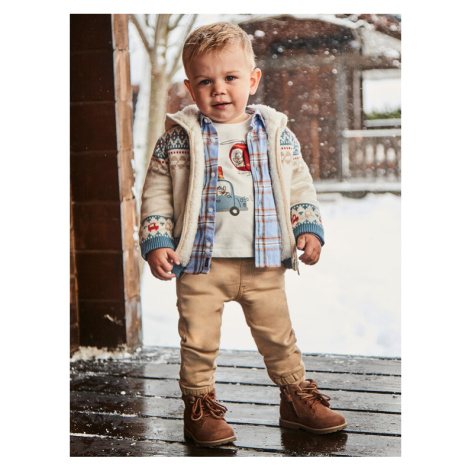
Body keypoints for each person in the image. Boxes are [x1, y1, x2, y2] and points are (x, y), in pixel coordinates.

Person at [139, 22, 347, 447]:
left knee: (279, 336)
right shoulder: (177, 139)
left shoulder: (275, 134)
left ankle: (295, 399)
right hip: (200, 264)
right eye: (205, 81)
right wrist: (157, 239)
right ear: (190, 88)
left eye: (230, 77)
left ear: (252, 80)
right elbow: (156, 193)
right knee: (198, 341)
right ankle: (199, 407)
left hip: (263, 261)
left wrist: (307, 227)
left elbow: (299, 185)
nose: (219, 89)